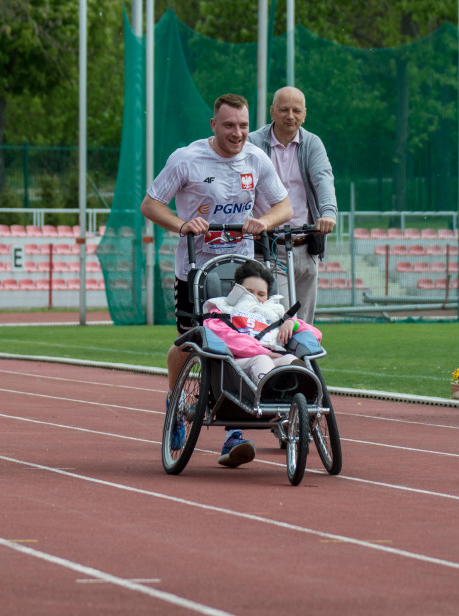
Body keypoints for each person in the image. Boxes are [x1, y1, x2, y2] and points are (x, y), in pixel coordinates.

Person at [141, 93, 293, 467]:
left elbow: (284, 206)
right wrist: (183, 225)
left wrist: (264, 222)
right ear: (214, 125)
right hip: (195, 272)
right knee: (191, 346)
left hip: (239, 272)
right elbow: (150, 203)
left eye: (243, 126)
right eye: (229, 125)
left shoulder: (256, 159)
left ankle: (233, 432)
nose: (237, 133)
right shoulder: (187, 159)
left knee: (240, 344)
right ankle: (176, 407)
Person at [201, 260, 322, 466]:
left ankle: (301, 402)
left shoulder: (276, 312)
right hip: (237, 366)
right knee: (263, 359)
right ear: (236, 290)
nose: (256, 298)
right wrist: (262, 351)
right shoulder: (220, 310)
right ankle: (271, 402)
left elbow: (316, 334)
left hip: (274, 360)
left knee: (291, 361)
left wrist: (290, 323)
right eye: (249, 292)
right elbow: (222, 336)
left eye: (261, 294)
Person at [248, 86, 338, 322]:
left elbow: (323, 180)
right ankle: (284, 359)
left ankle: (299, 360)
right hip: (269, 244)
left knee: (305, 324)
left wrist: (328, 214)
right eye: (284, 110)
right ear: (272, 112)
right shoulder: (254, 143)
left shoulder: (312, 144)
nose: (290, 116)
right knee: (284, 318)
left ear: (304, 114)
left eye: (296, 110)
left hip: (306, 244)